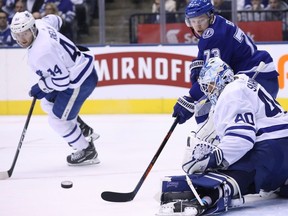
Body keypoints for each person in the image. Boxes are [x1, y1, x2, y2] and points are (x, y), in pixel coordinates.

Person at [157, 57, 288, 216]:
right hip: (283, 148)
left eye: (210, 86)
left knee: (236, 169)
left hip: (269, 148)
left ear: (221, 78)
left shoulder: (231, 92)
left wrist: (215, 157)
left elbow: (242, 138)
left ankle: (213, 194)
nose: (209, 91)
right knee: (262, 177)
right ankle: (279, 182)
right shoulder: (243, 82)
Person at [10, 10, 100, 166]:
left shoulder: (41, 52)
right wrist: (61, 51)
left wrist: (42, 85)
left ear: (32, 29)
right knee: (47, 103)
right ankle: (82, 128)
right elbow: (56, 19)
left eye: (25, 33)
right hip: (80, 70)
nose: (21, 39)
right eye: (17, 34)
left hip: (78, 81)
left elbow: (63, 81)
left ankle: (86, 151)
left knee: (57, 121)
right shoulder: (40, 23)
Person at [172, 0, 279, 125]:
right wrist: (199, 60)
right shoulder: (218, 23)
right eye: (193, 21)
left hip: (256, 79)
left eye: (201, 20)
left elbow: (213, 78)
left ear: (210, 16)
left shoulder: (214, 36)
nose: (197, 26)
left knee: (209, 112)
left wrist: (191, 98)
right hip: (261, 76)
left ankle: (216, 140)